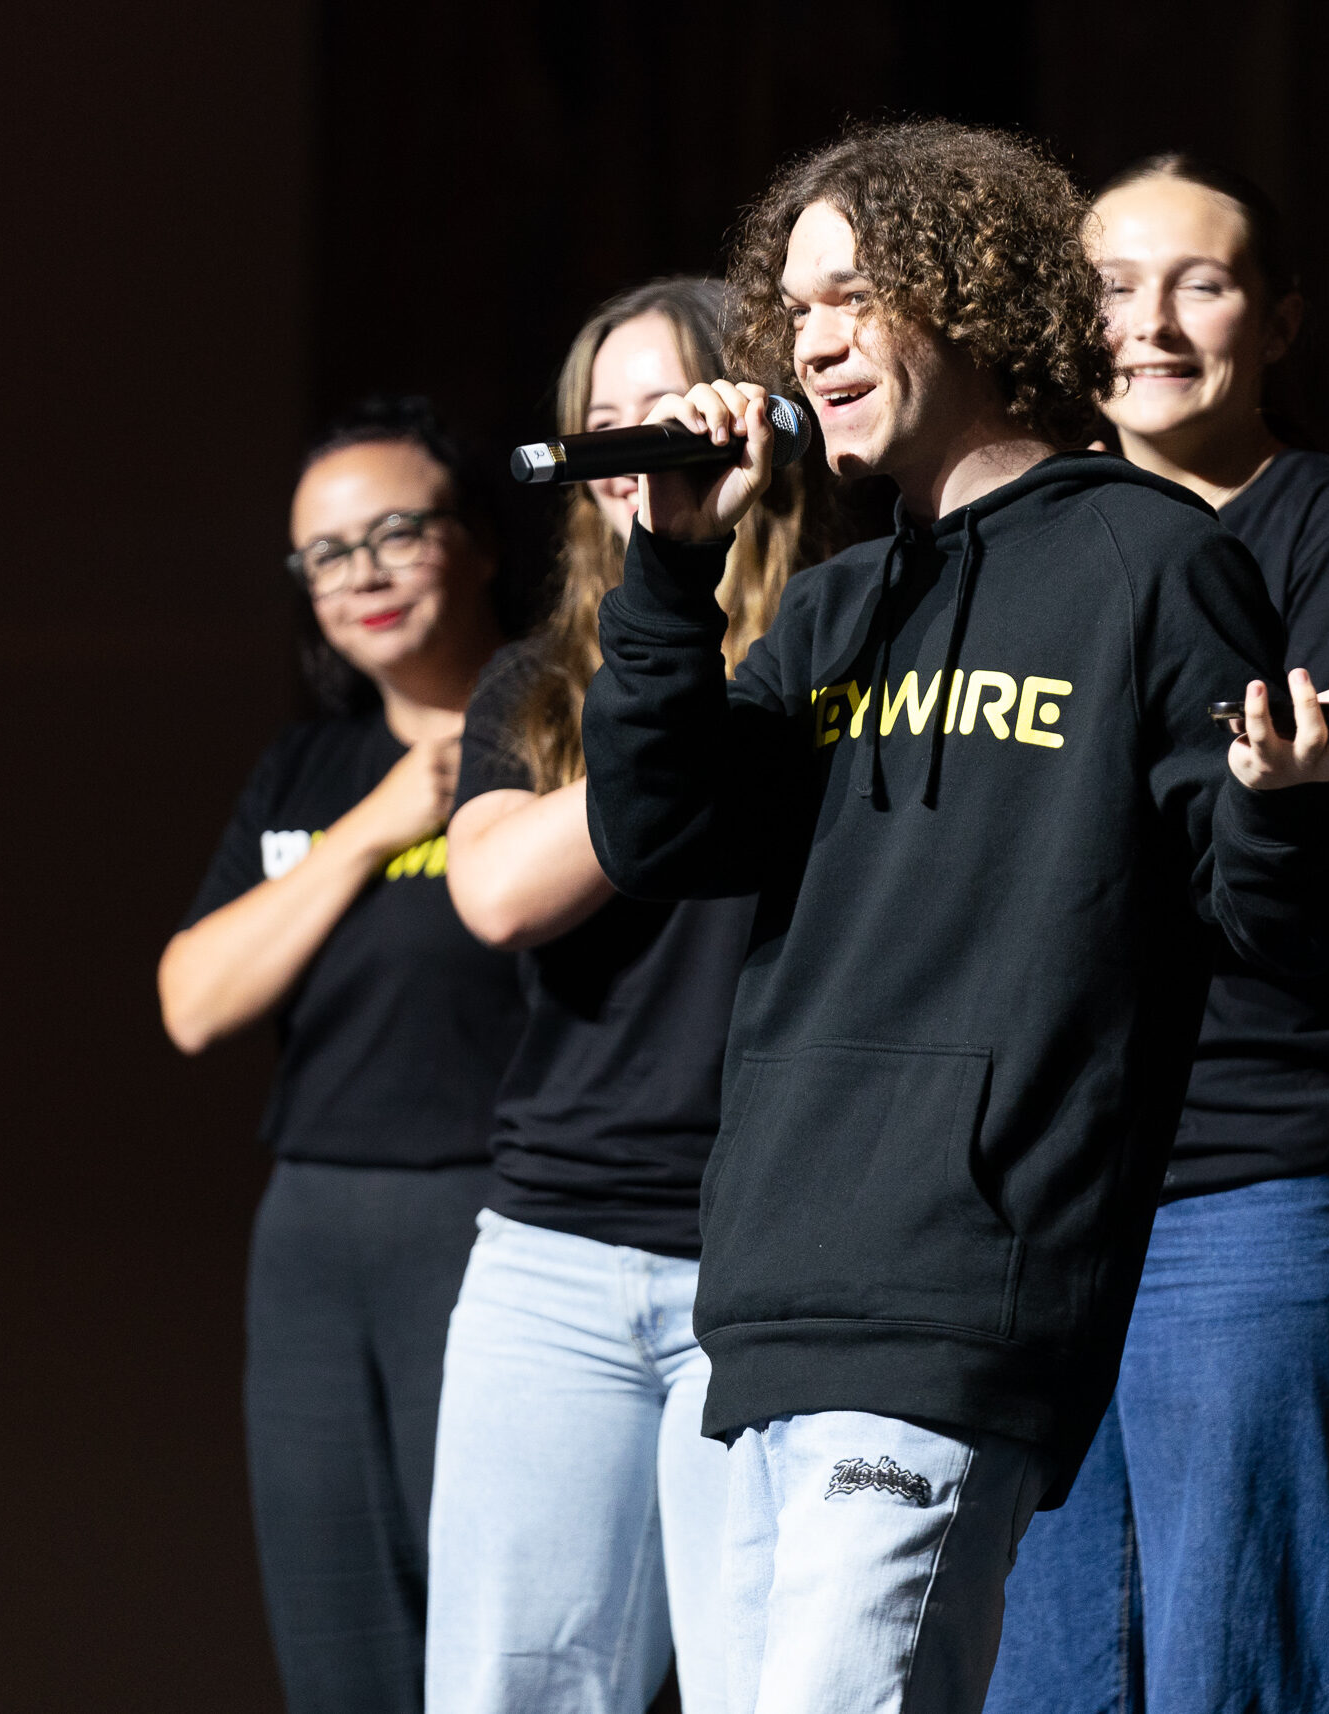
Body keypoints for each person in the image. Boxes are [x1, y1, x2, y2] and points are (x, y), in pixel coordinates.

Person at [579, 120, 1329, 1714]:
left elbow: (1280, 931)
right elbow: (659, 830)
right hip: (765, 1300)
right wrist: (671, 579)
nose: (805, 341)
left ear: (966, 295)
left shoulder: (1155, 564)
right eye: (791, 308)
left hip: (961, 1289)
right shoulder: (831, 603)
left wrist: (1283, 800)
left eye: (848, 297)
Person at [985, 155, 1329, 1714]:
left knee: (1230, 1680)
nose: (1153, 325)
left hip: (1244, 1187)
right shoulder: (1026, 538)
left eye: (1206, 282)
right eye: (1112, 285)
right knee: (1045, 1687)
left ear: (1279, 319)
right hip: (1049, 1203)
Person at [424, 277, 815, 1714]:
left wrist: (741, 685)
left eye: (661, 412)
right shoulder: (538, 683)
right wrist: (668, 705)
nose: (624, 450)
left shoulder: (830, 654)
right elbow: (496, 894)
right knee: (510, 1684)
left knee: (766, 1684)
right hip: (555, 1254)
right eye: (598, 424)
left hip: (764, 1257)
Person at [158, 397, 525, 1714]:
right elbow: (194, 999)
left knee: (494, 1648)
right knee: (336, 1645)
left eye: (394, 532)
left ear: (478, 539)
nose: (360, 572)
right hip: (311, 1230)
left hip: (495, 1222)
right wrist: (371, 826)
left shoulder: (566, 728)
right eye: (325, 551)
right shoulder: (307, 768)